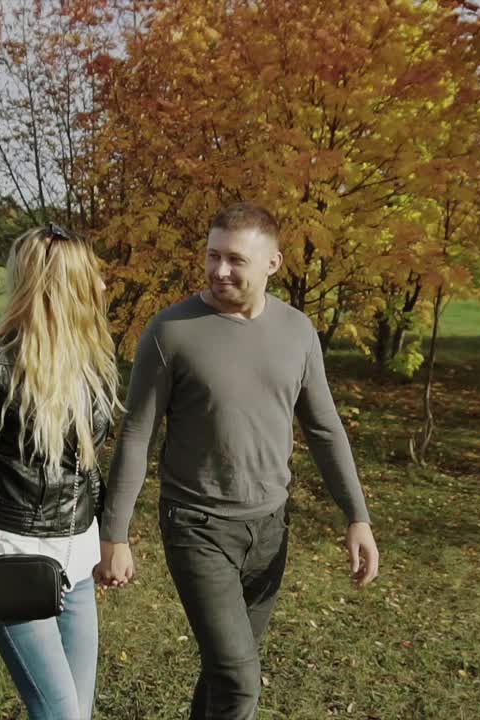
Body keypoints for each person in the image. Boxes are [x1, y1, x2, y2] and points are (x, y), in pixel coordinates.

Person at [94, 203, 379, 720]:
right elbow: (136, 434)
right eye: (212, 255)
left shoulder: (297, 332)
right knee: (239, 679)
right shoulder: (171, 331)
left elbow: (323, 428)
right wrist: (114, 534)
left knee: (225, 672)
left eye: (235, 259)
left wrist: (356, 516)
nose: (219, 270)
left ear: (273, 263)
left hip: (270, 528)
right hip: (196, 526)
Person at [0, 223, 120, 720]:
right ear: (65, 287)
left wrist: (111, 538)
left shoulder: (91, 364)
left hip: (79, 565)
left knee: (76, 714)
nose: (105, 287)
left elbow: (85, 471)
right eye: (95, 277)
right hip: (14, 562)